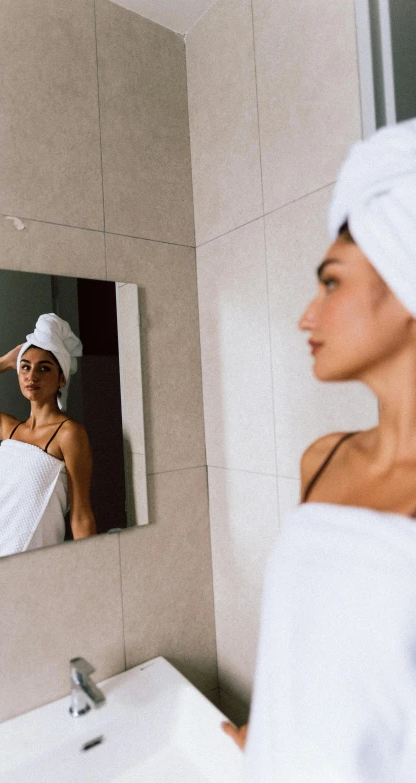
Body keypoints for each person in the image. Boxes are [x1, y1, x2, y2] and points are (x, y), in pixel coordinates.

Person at [222, 118, 416, 780]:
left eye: (331, 282)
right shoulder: (323, 459)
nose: (307, 315)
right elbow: (311, 651)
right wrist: (271, 735)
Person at [0, 313, 97, 567]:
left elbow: (81, 515)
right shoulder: (8, 428)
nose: (32, 376)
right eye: (25, 367)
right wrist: (4, 362)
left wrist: (94, 570)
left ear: (61, 378)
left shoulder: (68, 433)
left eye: (44, 368)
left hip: (23, 564)